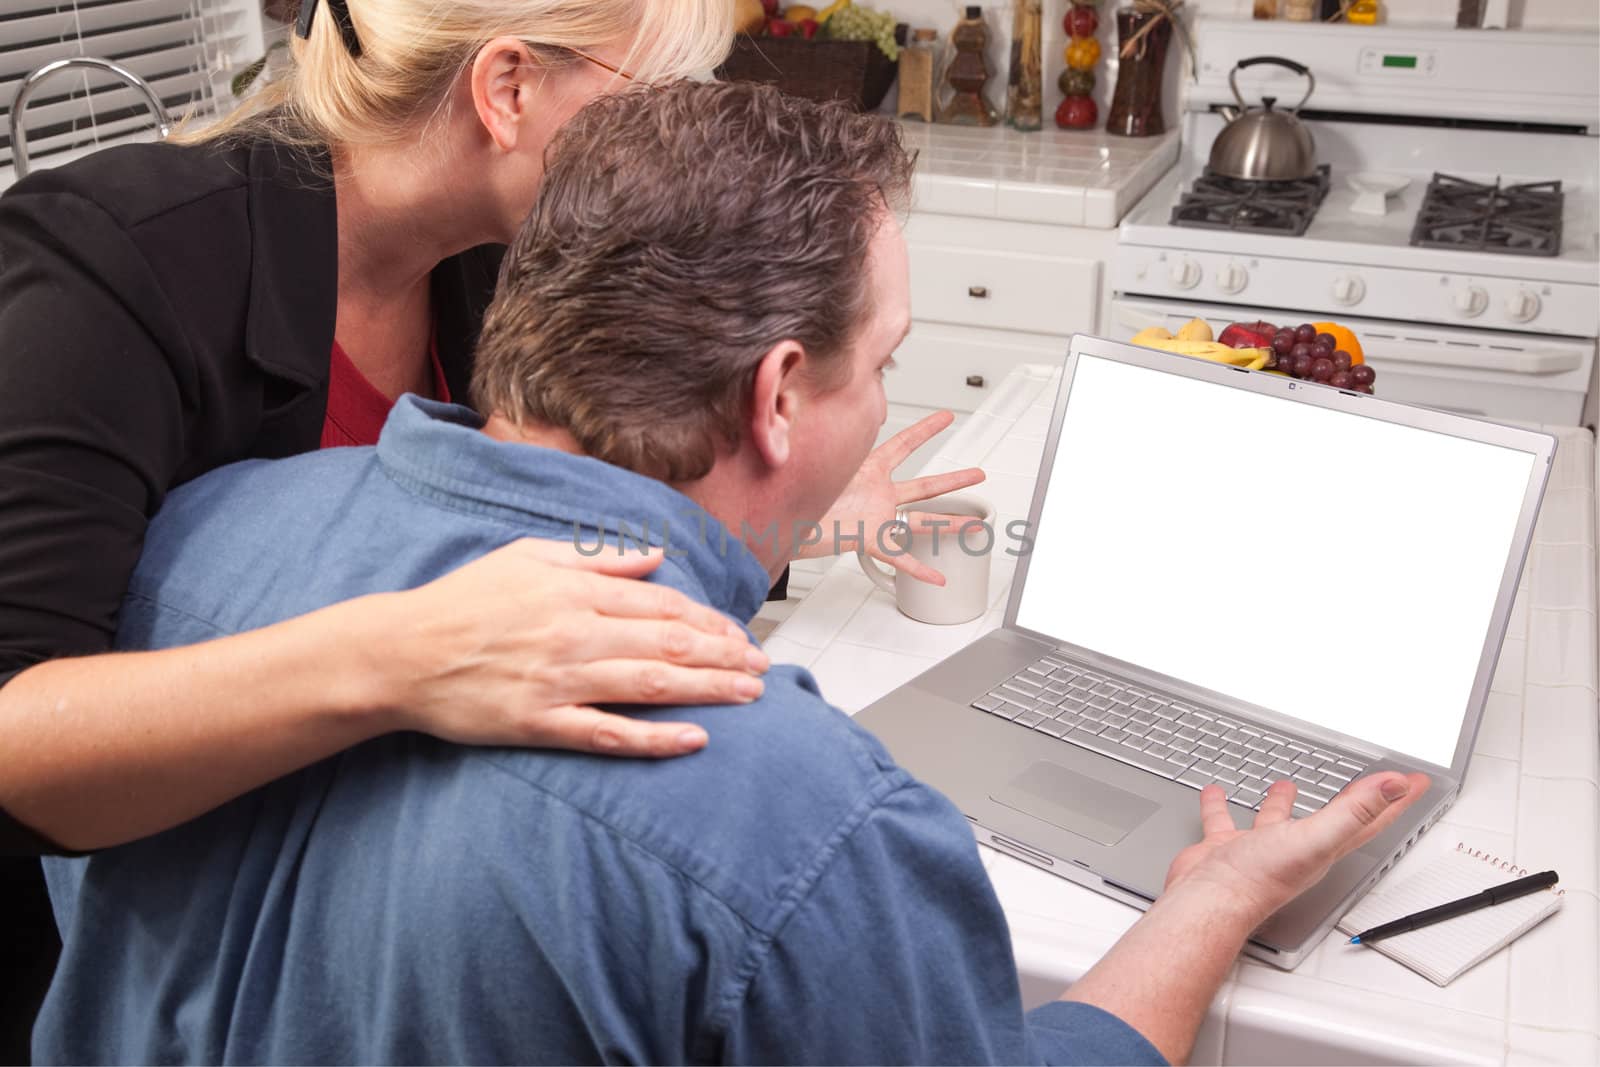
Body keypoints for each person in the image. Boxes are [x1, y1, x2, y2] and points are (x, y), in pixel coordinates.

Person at [36, 80, 1429, 1065]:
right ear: (776, 396)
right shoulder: (799, 815)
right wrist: (1209, 901)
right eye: (881, 364)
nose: (882, 398)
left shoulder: (197, 541)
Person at [0, 0, 978, 1047]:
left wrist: (790, 510)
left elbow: (545, 488)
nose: (676, 137)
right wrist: (407, 652)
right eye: (653, 96)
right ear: (506, 87)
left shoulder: (497, 256)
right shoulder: (111, 270)